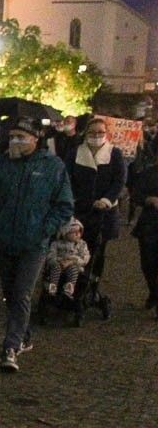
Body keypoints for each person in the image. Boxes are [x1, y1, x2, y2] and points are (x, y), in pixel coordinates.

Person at [0, 116, 73, 372]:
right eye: (12, 137)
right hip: (3, 241)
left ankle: (11, 346)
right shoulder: (1, 164)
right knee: (11, 293)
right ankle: (24, 333)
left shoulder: (53, 167)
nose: (15, 141)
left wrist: (44, 230)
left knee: (22, 293)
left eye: (21, 137)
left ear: (35, 139)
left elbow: (64, 205)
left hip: (33, 244)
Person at [64, 117, 127, 290]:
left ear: (106, 134)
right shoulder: (75, 152)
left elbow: (119, 180)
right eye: (93, 132)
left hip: (104, 213)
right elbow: (66, 179)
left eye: (101, 132)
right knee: (73, 248)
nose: (97, 135)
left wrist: (107, 200)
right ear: (86, 133)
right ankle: (71, 284)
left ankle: (92, 286)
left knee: (98, 251)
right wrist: (72, 198)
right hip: (80, 210)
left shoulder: (115, 153)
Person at [130, 148, 158, 316]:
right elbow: (136, 194)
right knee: (148, 264)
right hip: (150, 225)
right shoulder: (148, 173)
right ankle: (154, 292)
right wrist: (149, 199)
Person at [43, 217, 90, 298]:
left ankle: (68, 290)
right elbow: (50, 255)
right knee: (55, 268)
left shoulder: (82, 244)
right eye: (74, 232)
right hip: (58, 262)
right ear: (65, 233)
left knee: (73, 270)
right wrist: (59, 260)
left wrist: (73, 260)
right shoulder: (56, 243)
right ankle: (52, 288)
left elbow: (85, 257)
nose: (77, 234)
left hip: (73, 264)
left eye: (79, 231)